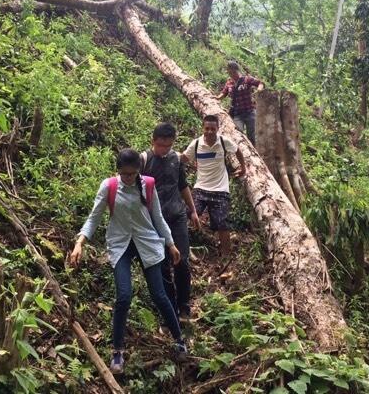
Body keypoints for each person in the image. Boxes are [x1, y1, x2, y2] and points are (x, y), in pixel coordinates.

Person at [69, 148, 187, 375]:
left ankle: (179, 339)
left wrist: (171, 244)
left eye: (132, 174)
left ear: (138, 171)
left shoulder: (148, 185)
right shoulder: (109, 186)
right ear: (119, 171)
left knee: (159, 295)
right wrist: (80, 243)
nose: (128, 178)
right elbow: (94, 217)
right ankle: (117, 351)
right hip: (120, 243)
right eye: (125, 174)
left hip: (147, 242)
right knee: (123, 295)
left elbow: (158, 218)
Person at [140, 122, 200, 322]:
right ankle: (169, 308)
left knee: (181, 261)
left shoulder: (176, 159)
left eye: (168, 145)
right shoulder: (144, 160)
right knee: (163, 265)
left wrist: (192, 211)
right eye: (160, 145)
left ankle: (184, 306)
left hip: (177, 216)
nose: (164, 150)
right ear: (153, 141)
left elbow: (182, 186)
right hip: (154, 221)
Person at [181, 115, 247, 257]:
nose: (210, 131)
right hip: (201, 188)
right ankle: (182, 247)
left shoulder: (223, 141)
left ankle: (225, 256)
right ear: (203, 128)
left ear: (217, 129)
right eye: (207, 128)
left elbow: (237, 151)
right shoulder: (196, 144)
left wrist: (243, 168)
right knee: (186, 213)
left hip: (220, 190)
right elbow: (184, 158)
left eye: (213, 129)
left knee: (222, 222)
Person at [216, 60, 264, 145]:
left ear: (236, 70)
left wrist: (259, 90)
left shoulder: (246, 79)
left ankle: (255, 153)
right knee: (238, 133)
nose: (231, 74)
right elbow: (224, 93)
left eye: (233, 72)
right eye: (229, 72)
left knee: (252, 135)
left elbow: (260, 83)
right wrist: (217, 98)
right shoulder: (229, 82)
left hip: (249, 112)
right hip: (237, 114)